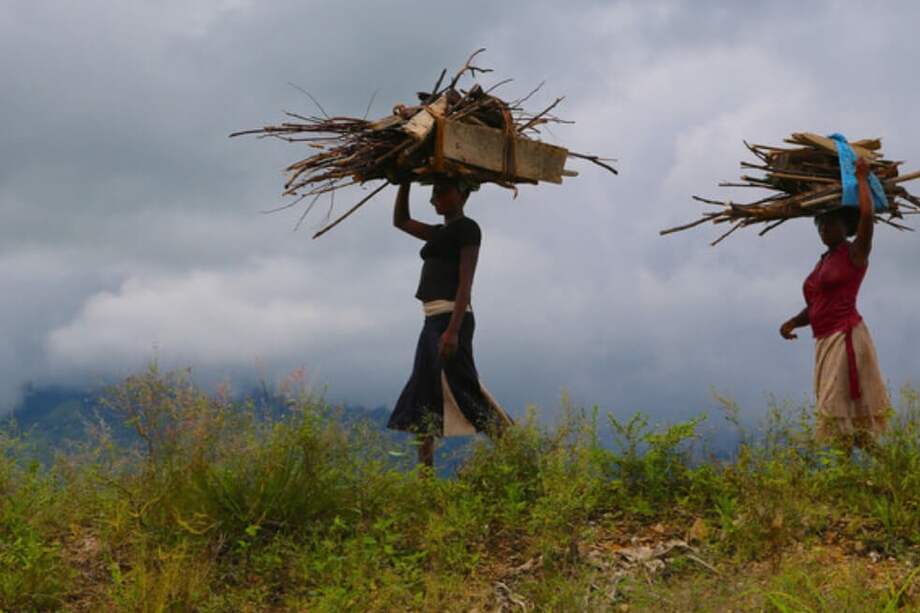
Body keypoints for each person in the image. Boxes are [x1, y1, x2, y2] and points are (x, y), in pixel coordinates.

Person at [388, 178, 512, 467]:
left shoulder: (468, 229)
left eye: (441, 192)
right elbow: (401, 221)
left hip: (451, 320)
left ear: (463, 193)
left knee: (465, 390)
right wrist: (403, 181)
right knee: (422, 393)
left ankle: (514, 451)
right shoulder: (439, 232)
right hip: (431, 321)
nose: (435, 199)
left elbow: (465, 285)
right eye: (432, 194)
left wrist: (453, 332)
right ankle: (426, 480)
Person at [780, 158, 890, 447]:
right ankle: (874, 472)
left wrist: (862, 180)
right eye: (820, 225)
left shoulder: (855, 254)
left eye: (830, 224)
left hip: (846, 337)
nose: (823, 229)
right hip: (824, 340)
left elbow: (867, 218)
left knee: (834, 410)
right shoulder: (823, 261)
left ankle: (846, 475)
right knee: (842, 415)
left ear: (845, 226)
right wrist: (794, 321)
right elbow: (817, 303)